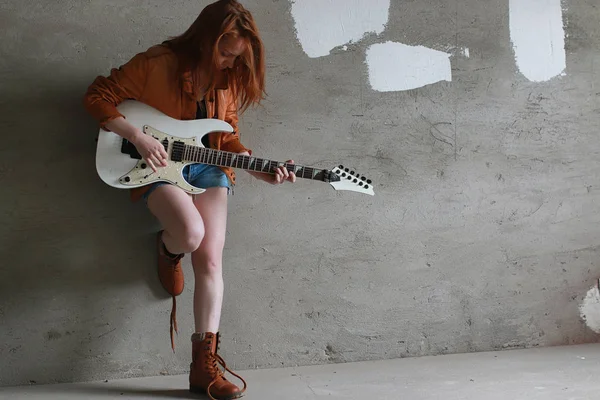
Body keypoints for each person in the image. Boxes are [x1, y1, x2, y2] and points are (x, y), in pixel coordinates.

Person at [83, 1, 296, 398]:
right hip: (156, 166)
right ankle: (167, 248)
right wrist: (137, 136)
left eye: (237, 57)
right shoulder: (156, 64)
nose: (231, 65)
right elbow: (98, 96)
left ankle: (203, 368)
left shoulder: (227, 77)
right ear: (205, 39)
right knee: (190, 233)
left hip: (207, 167)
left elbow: (226, 132)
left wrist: (253, 164)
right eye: (226, 53)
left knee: (211, 259)